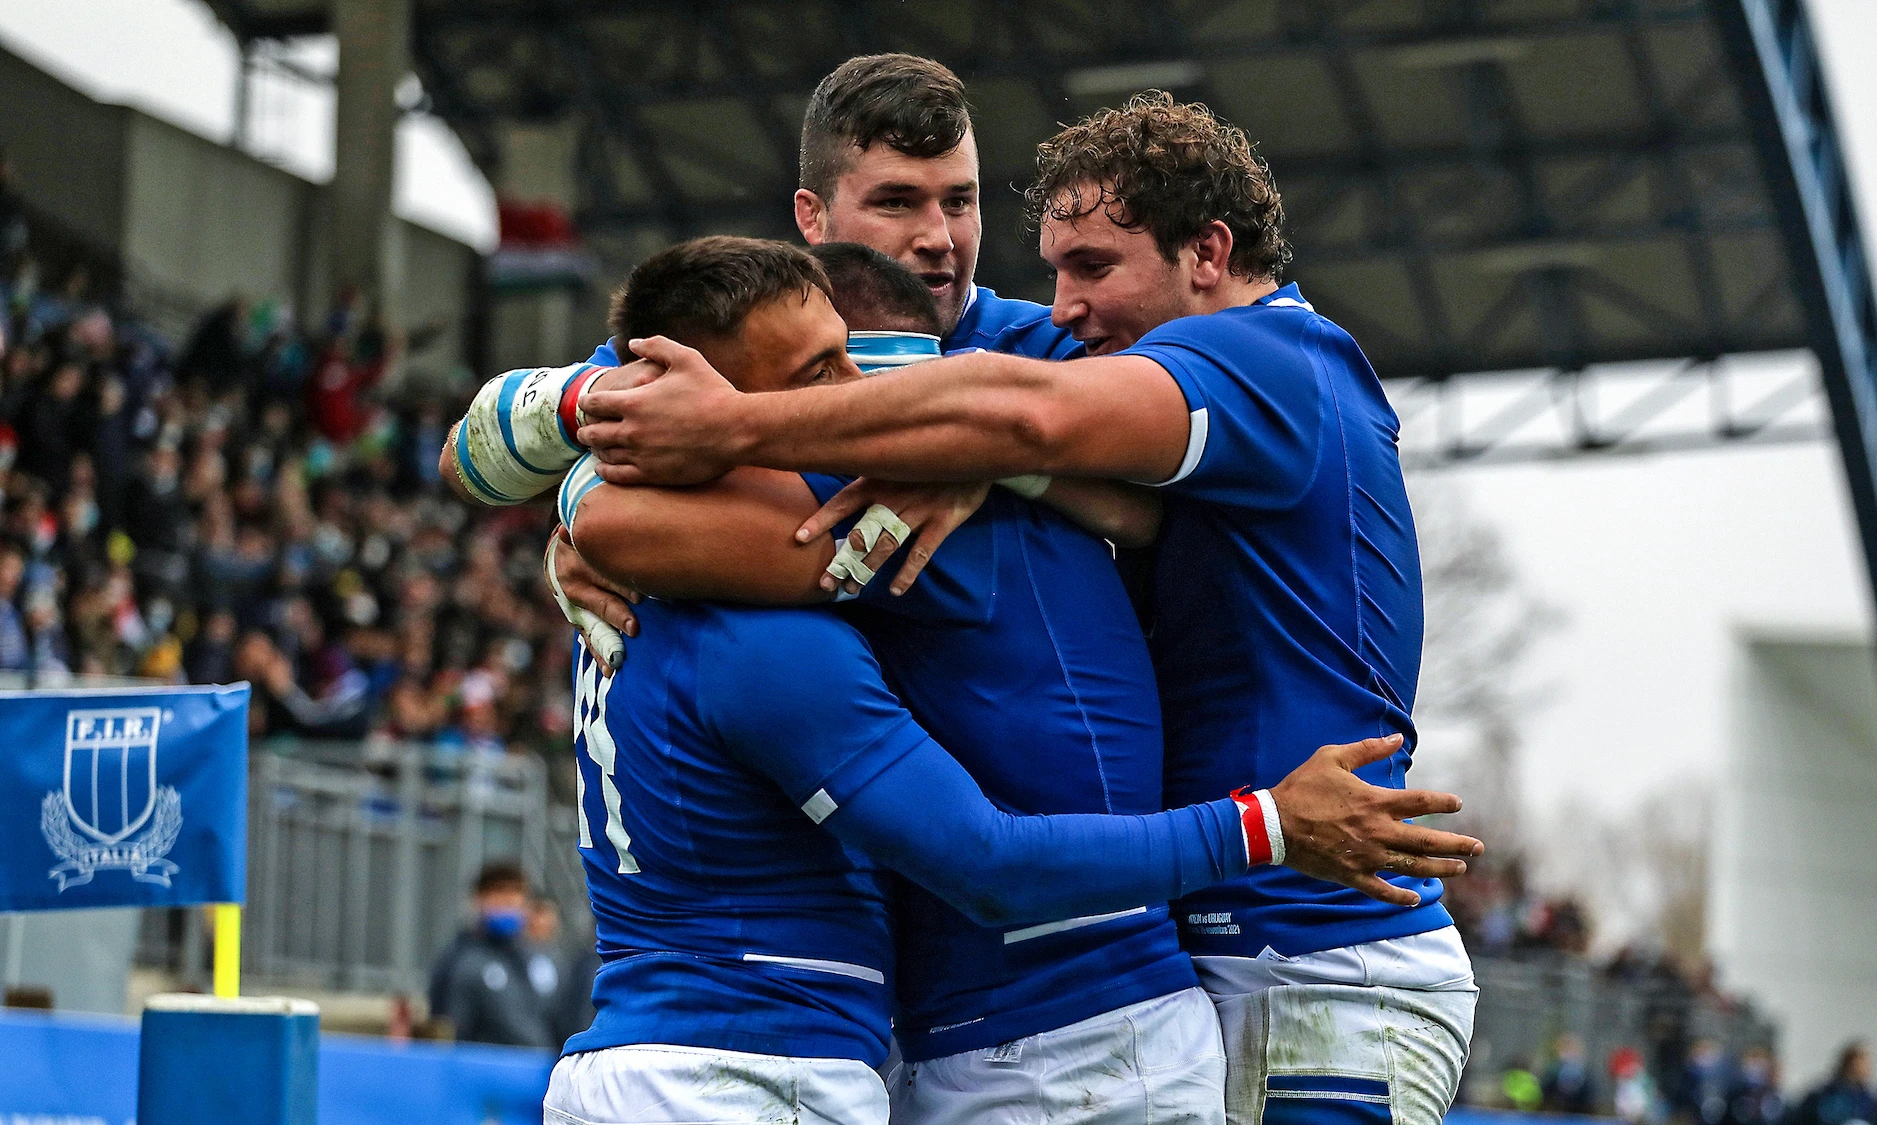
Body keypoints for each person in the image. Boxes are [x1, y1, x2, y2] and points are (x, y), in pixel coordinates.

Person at [573, 92, 1479, 1125]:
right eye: (1050, 269)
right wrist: (581, 493)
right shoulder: (1102, 377)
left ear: (1208, 253)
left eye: (1091, 267)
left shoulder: (1273, 362)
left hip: (1311, 946)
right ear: (811, 216)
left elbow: (1028, 414)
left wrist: (733, 431)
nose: (1059, 308)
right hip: (1225, 942)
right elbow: (1062, 460)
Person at [429, 860, 555, 1050]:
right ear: (479, 899)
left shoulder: (538, 960)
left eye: (517, 893)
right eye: (500, 892)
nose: (510, 901)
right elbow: (450, 1032)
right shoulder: (459, 961)